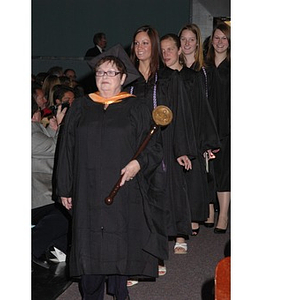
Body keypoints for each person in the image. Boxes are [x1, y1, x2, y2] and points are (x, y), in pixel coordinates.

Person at [56, 46, 165, 300]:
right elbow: (66, 149)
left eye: (112, 72)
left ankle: (119, 292)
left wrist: (139, 164)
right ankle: (90, 294)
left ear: (123, 78)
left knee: (120, 242)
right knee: (89, 242)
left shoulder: (137, 108)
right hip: (87, 188)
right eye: (100, 72)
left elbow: (154, 146)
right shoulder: (81, 107)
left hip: (122, 189)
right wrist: (64, 188)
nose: (105, 77)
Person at [126, 25, 197, 260]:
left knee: (166, 192)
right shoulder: (129, 80)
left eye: (145, 42)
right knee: (142, 198)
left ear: (154, 46)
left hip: (164, 142)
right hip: (137, 144)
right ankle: (152, 254)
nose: (140, 47)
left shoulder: (167, 77)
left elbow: (181, 113)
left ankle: (177, 236)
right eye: (137, 43)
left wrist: (182, 149)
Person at [160, 33, 221, 239]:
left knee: (191, 182)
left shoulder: (192, 78)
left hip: (190, 134)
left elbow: (202, 110)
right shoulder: (158, 79)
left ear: (179, 51)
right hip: (166, 137)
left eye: (170, 49)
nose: (166, 53)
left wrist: (206, 142)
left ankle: (189, 222)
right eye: (163, 50)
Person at [32, 96, 70, 269]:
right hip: (36, 198)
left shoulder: (36, 130)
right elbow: (58, 147)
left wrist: (55, 129)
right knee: (65, 213)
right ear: (35, 114)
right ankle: (34, 247)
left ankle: (54, 248)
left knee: (68, 210)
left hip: (41, 194)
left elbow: (50, 146)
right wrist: (62, 125)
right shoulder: (30, 132)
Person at [205, 23, 231, 234]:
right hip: (207, 123)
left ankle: (223, 215)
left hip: (228, 125)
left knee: (224, 169)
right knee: (208, 169)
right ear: (211, 40)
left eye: (224, 38)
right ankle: (210, 210)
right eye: (217, 38)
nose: (220, 42)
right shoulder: (204, 66)